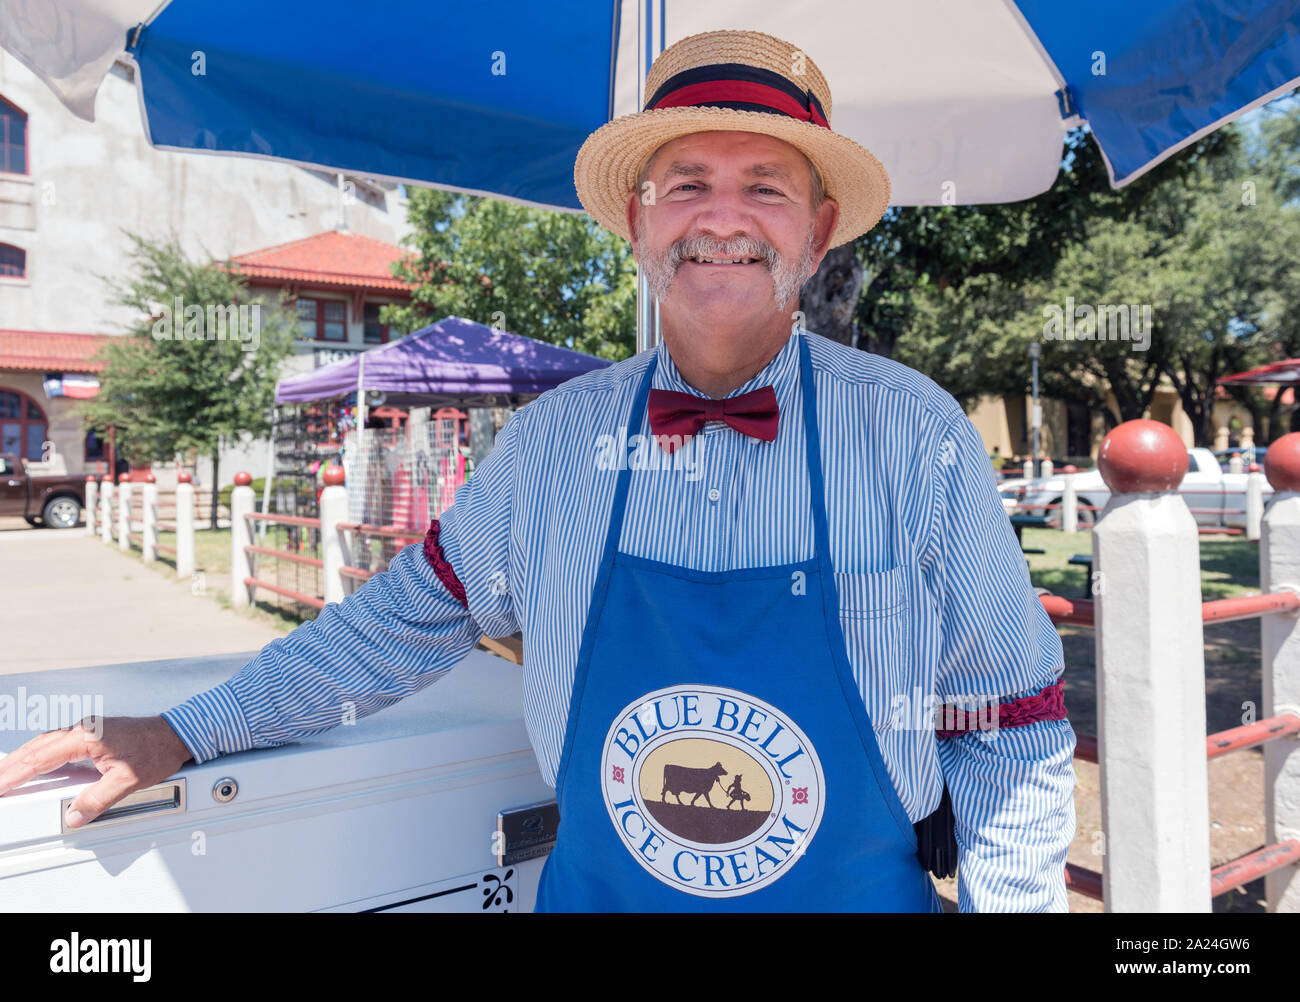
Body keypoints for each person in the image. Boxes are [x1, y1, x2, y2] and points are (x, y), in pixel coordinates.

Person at [0, 29, 1075, 912]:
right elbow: (391, 631)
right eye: (686, 182)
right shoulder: (551, 446)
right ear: (638, 219)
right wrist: (182, 730)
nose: (722, 217)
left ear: (820, 228)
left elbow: (1010, 726)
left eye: (765, 187)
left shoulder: (914, 438)